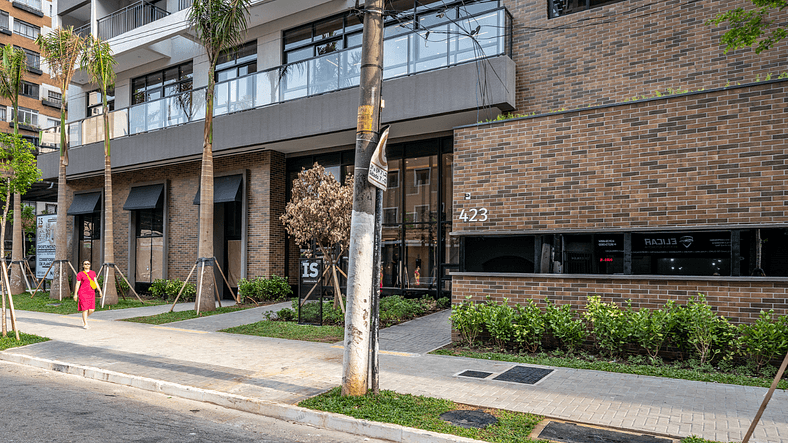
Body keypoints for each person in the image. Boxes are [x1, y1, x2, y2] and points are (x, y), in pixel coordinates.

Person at [73, 260, 102, 329]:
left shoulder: (93, 273)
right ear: (83, 265)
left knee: (92, 309)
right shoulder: (80, 274)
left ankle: (84, 317)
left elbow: (95, 282)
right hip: (83, 293)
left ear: (90, 265)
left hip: (91, 293)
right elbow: (77, 284)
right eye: (85, 264)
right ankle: (85, 323)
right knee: (85, 309)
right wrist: (75, 294)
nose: (87, 265)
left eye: (88, 264)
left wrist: (99, 290)